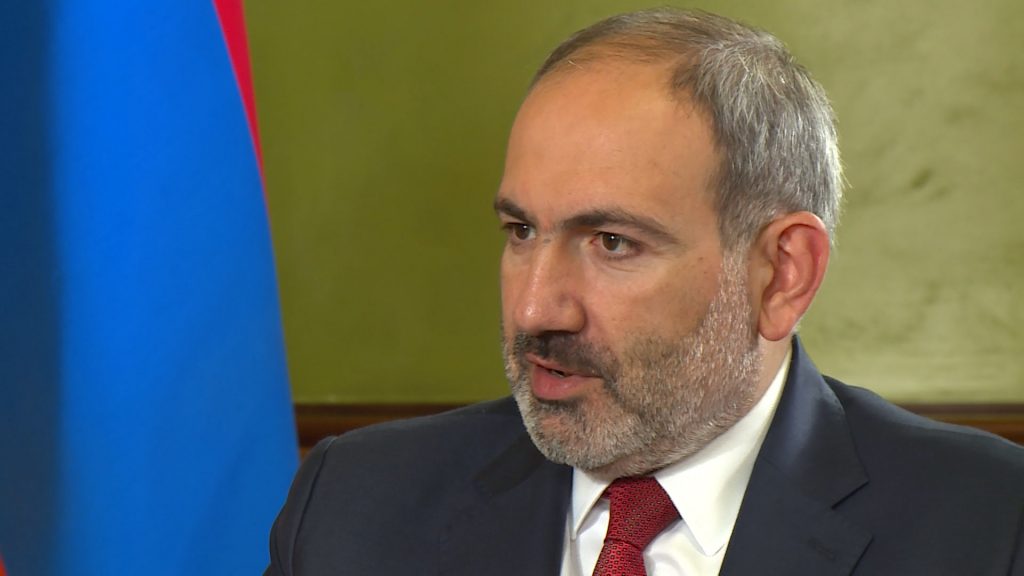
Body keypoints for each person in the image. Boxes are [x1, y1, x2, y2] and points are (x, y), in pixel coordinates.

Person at [265, 8, 1024, 575]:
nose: (534, 310)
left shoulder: (991, 528)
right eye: (521, 231)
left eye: (612, 242)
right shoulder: (356, 507)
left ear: (782, 273)